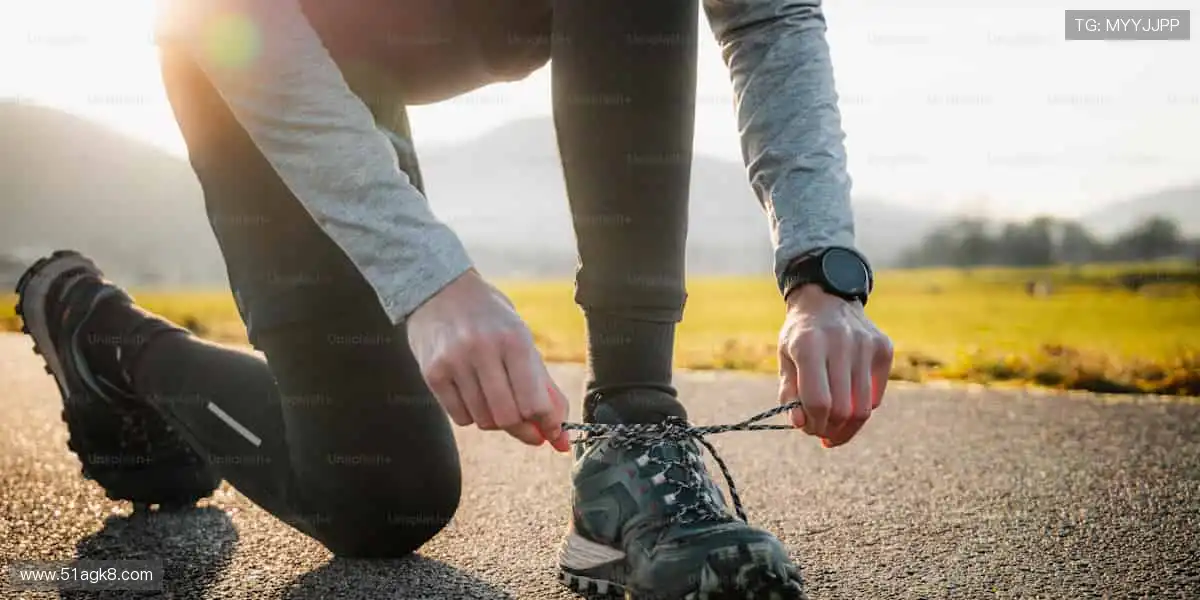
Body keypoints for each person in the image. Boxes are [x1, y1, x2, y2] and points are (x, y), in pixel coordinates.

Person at [14, 0, 894, 597]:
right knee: (383, 498)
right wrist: (429, 279)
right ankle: (99, 333)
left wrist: (823, 273)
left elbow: (770, 13)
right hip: (251, 47)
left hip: (419, 43)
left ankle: (634, 433)